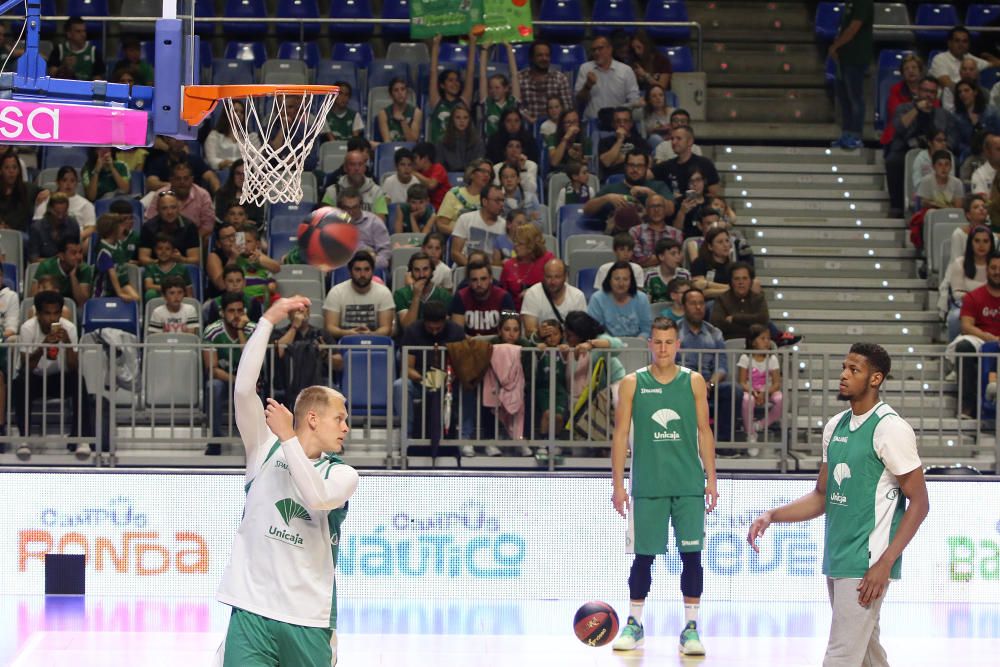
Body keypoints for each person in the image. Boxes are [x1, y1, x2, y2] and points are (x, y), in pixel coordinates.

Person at [747, 343, 928, 667]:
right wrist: (773, 515)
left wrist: (885, 563)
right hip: (838, 556)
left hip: (867, 561)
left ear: (876, 379)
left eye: (853, 370)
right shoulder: (836, 426)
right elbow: (822, 496)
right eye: (844, 367)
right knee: (867, 653)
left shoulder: (890, 427)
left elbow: (920, 503)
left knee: (841, 655)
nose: (843, 375)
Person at [213, 295, 358, 666]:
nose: (346, 427)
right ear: (312, 418)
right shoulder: (264, 448)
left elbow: (316, 497)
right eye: (339, 418)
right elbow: (244, 390)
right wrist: (268, 320)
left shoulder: (343, 474)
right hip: (252, 613)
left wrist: (289, 439)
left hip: (308, 620)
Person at [610, 317, 717, 656]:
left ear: (678, 344)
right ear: (649, 344)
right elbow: (619, 436)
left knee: (692, 557)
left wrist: (712, 478)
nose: (663, 348)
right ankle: (634, 623)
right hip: (648, 484)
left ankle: (690, 629)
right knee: (643, 559)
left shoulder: (694, 382)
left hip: (688, 484)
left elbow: (704, 431)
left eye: (669, 342)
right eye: (657, 342)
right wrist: (617, 484)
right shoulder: (631, 383)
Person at [12, 290, 82, 461]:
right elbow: (26, 366)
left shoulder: (69, 328)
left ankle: (80, 438)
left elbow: (73, 366)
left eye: (56, 313)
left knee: (79, 380)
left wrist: (67, 343)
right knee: (21, 381)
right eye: (47, 313)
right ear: (38, 313)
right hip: (35, 378)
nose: (52, 318)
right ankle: (24, 439)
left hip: (59, 378)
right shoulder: (28, 328)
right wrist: (43, 346)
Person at [677, 287, 744, 444]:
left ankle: (722, 443)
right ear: (684, 306)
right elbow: (668, 364)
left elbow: (721, 366)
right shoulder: (674, 331)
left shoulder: (714, 333)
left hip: (709, 384)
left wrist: (710, 383)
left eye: (701, 303)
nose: (698, 307)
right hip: (681, 383)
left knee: (734, 390)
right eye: (693, 303)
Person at [885, 77, 959, 215]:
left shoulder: (943, 114)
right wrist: (916, 110)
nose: (928, 95)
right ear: (918, 91)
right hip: (906, 149)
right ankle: (897, 206)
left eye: (932, 92)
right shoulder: (904, 108)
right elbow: (899, 128)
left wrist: (940, 144)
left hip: (934, 151)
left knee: (951, 160)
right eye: (925, 91)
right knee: (893, 161)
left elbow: (953, 140)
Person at [202, 291, 255, 454]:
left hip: (250, 382)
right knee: (214, 386)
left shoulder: (253, 329)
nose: (236, 315)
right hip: (226, 380)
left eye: (240, 311)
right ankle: (215, 439)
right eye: (231, 311)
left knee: (256, 388)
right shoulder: (212, 331)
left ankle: (253, 441)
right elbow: (212, 368)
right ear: (222, 313)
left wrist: (240, 330)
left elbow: (253, 363)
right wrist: (235, 379)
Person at [954, 251, 1000, 417]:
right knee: (964, 347)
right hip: (981, 339)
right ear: (987, 270)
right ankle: (968, 407)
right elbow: (966, 325)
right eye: (993, 268)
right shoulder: (974, 296)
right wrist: (988, 337)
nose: (997, 272)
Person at [270, 301, 339, 409]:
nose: (302, 310)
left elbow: (339, 364)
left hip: (319, 382)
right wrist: (294, 327)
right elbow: (279, 350)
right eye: (297, 307)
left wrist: (325, 354)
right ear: (288, 314)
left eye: (305, 307)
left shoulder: (321, 333)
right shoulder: (279, 333)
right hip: (287, 383)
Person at [583, 153, 673, 232]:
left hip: (649, 239)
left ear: (646, 168)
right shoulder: (612, 188)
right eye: (631, 165)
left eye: (640, 166)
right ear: (625, 167)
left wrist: (650, 193)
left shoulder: (658, 186)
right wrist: (606, 198)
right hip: (618, 241)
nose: (635, 169)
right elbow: (587, 210)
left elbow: (670, 211)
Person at [827, 0, 874, 150]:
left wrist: (835, 45)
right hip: (844, 57)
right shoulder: (850, 3)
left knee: (855, 97)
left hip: (856, 57)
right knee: (844, 97)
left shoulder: (863, 3)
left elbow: (853, 28)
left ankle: (856, 135)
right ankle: (846, 133)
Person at [323, 250, 394, 339]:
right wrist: (348, 333)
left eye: (366, 269)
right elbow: (330, 328)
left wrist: (370, 335)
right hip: (344, 345)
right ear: (350, 271)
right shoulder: (336, 292)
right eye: (357, 270)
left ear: (372, 271)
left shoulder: (384, 293)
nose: (362, 274)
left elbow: (386, 328)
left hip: (374, 344)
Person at [141, 161, 217, 238]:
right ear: (171, 180)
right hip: (163, 241)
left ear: (192, 179)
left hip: (193, 239)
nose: (182, 182)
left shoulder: (203, 195)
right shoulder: (160, 194)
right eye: (178, 179)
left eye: (186, 178)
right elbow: (150, 222)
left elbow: (208, 226)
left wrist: (192, 241)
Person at [736, 324, 782, 447]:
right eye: (763, 338)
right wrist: (753, 391)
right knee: (747, 399)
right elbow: (741, 382)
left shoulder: (772, 359)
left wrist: (765, 392)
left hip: (768, 391)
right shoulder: (745, 358)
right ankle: (750, 434)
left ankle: (759, 425)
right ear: (753, 342)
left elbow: (777, 383)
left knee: (780, 399)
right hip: (750, 391)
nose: (767, 342)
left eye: (768, 338)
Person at [945, 226, 994, 341]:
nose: (981, 245)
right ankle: (955, 355)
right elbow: (957, 293)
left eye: (985, 241)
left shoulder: (996, 264)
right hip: (964, 305)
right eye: (977, 241)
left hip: (994, 305)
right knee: (954, 317)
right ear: (970, 243)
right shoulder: (959, 263)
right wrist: (982, 296)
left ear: (991, 243)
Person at [575, 35, 640, 120]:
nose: (596, 52)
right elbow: (579, 100)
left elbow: (634, 100)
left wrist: (618, 109)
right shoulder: (585, 68)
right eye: (594, 50)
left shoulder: (626, 71)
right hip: (593, 122)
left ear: (610, 49)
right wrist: (588, 86)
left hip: (618, 122)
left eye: (600, 48)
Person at [520, 258, 588, 338]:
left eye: (557, 277)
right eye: (548, 277)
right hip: (540, 347)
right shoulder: (532, 294)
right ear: (543, 275)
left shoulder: (577, 296)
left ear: (565, 277)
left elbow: (581, 331)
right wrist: (539, 333)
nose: (552, 282)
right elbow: (529, 330)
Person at [930, 27, 1000, 104]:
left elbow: (995, 64)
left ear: (969, 44)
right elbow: (946, 84)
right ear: (949, 43)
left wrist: (989, 56)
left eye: (964, 41)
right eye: (957, 41)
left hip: (970, 100)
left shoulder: (970, 58)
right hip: (949, 100)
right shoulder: (940, 59)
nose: (961, 44)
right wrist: (966, 93)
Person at [428, 33, 477, 143]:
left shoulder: (464, 101)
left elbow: (470, 72)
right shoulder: (436, 101)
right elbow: (433, 72)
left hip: (461, 152)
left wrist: (473, 43)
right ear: (442, 85)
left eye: (457, 80)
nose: (455, 83)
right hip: (439, 152)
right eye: (450, 80)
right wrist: (436, 44)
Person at [652, 126, 721, 203]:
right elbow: (645, 174)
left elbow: (714, 194)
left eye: (678, 138)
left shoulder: (705, 164)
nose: (674, 142)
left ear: (690, 141)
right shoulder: (667, 165)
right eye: (672, 139)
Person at [588, 261, 653, 338]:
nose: (621, 284)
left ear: (631, 281)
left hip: (636, 345)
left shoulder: (642, 298)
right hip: (607, 345)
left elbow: (647, 329)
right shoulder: (597, 299)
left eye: (625, 279)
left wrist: (638, 342)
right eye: (617, 279)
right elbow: (595, 330)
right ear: (609, 280)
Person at [450, 260, 515, 337]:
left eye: (483, 279)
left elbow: (511, 330)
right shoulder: (460, 297)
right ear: (469, 281)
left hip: (497, 345)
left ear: (491, 279)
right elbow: (457, 332)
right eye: (474, 280)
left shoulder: (504, 297)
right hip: (469, 345)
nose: (479, 284)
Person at [322, 150, 389, 221]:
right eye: (352, 164)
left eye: (360, 164)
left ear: (365, 168)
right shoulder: (332, 191)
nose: (357, 168)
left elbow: (380, 223)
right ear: (345, 168)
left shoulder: (376, 192)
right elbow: (326, 221)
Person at [33, 166, 96, 242]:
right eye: (64, 180)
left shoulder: (86, 204)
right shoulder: (46, 200)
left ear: (76, 183)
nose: (68, 184)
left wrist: (79, 236)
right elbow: (38, 223)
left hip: (75, 241)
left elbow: (91, 227)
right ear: (57, 182)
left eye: (72, 181)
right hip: (49, 240)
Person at [518, 39, 573, 124]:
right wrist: (528, 118)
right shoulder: (520, 78)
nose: (544, 58)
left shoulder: (560, 78)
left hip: (555, 128)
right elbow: (516, 107)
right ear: (531, 58)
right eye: (540, 55)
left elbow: (567, 109)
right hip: (527, 127)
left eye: (547, 55)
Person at [138, 192, 201, 267]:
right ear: (157, 210)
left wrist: (182, 259)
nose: (169, 212)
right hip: (155, 270)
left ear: (179, 208)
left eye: (173, 207)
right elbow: (143, 258)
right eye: (164, 208)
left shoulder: (190, 227)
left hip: (181, 269)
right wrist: (162, 262)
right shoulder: (148, 227)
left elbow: (195, 259)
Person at [709, 261, 769, 340]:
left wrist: (735, 318)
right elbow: (717, 325)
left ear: (751, 281)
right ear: (731, 281)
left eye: (745, 278)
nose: (741, 282)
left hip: (754, 346)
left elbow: (763, 319)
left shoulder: (759, 298)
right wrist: (751, 327)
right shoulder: (721, 299)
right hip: (728, 344)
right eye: (736, 279)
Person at [450, 184, 506, 267]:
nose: (501, 204)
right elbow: (455, 253)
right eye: (497, 200)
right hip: (466, 268)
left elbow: (505, 258)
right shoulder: (465, 219)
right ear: (485, 201)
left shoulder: (504, 226)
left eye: (502, 200)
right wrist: (473, 269)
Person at [500, 224, 555, 309]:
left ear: (532, 245)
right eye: (515, 242)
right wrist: (511, 319)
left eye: (520, 243)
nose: (515, 246)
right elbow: (503, 300)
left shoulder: (548, 260)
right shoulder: (509, 266)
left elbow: (556, 288)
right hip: (515, 315)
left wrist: (532, 293)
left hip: (544, 311)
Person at [433, 158, 492, 236]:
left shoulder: (490, 198)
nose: (487, 175)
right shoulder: (454, 194)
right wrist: (463, 234)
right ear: (471, 174)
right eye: (483, 171)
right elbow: (441, 225)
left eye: (489, 173)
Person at [394, 251, 453, 330]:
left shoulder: (444, 295)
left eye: (425, 269)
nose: (421, 275)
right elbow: (408, 328)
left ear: (432, 270)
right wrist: (416, 296)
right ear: (411, 272)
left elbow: (444, 329)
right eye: (417, 270)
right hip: (409, 341)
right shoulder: (400, 294)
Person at [337, 187, 391, 271]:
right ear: (340, 208)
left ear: (361, 206)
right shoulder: (333, 224)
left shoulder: (375, 222)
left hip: (371, 269)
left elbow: (385, 254)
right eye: (347, 208)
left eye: (354, 207)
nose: (351, 212)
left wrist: (370, 262)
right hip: (342, 268)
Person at [30, 237, 92, 308]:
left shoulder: (84, 269)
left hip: (74, 309)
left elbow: (83, 303)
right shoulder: (46, 267)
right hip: (48, 306)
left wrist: (73, 276)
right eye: (73, 253)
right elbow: (33, 297)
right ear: (61, 256)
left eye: (80, 252)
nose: (78, 257)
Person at [93, 213, 141, 302]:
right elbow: (112, 273)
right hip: (105, 291)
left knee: (136, 299)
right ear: (112, 230)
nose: (124, 229)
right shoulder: (104, 250)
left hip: (122, 284)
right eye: (121, 226)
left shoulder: (118, 244)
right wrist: (119, 293)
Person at [880, 54, 925, 147]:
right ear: (902, 73)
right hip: (899, 134)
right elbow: (896, 114)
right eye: (906, 69)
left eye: (914, 67)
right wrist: (917, 108)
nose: (910, 71)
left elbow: (934, 110)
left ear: (920, 71)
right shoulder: (895, 90)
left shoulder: (928, 89)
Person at [479, 42, 522, 138]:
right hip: (490, 147)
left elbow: (514, 75)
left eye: (497, 88)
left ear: (506, 88)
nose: (493, 91)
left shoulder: (513, 102)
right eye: (491, 88)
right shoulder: (487, 103)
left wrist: (508, 48)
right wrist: (485, 50)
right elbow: (482, 75)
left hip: (510, 145)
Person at [205, 100, 260, 170]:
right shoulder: (214, 136)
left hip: (246, 172)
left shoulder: (252, 137)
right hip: (223, 172)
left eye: (242, 112)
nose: (239, 114)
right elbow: (211, 159)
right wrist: (223, 163)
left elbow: (257, 160)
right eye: (235, 111)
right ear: (226, 114)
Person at [598, 107, 651, 180]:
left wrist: (617, 159)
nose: (622, 124)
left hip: (636, 178)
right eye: (618, 121)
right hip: (613, 180)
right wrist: (620, 140)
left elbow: (649, 162)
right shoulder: (605, 141)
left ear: (631, 123)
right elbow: (606, 162)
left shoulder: (640, 141)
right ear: (613, 124)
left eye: (625, 121)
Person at [27, 192, 81, 263]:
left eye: (64, 213)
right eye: (57, 212)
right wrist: (56, 261)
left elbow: (77, 253)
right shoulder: (37, 228)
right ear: (49, 209)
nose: (60, 217)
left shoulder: (73, 224)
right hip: (43, 268)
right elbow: (33, 259)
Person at [0, 150, 44, 232]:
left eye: (14, 167)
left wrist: (47, 192)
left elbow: (48, 191)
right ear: (1, 171)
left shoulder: (28, 188)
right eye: (7, 168)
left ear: (19, 170)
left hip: (20, 235)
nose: (11, 171)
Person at [47, 16, 103, 80]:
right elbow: (51, 75)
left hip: (86, 89)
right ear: (69, 34)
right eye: (78, 31)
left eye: (84, 31)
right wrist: (64, 67)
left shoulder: (94, 52)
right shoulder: (59, 50)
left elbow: (98, 80)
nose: (83, 34)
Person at [439, 103, 485, 173]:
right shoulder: (442, 142)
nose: (462, 121)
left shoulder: (477, 142)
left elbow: (479, 165)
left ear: (470, 120)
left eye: (465, 118)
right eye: (458, 117)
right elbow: (440, 166)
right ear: (452, 120)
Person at [214, 160, 263, 224]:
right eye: (238, 174)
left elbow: (260, 222)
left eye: (245, 174)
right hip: (227, 231)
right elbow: (219, 219)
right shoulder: (221, 194)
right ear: (232, 176)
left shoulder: (258, 197)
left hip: (251, 231)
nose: (242, 177)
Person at [645, 237, 691, 304]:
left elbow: (688, 299)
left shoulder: (684, 274)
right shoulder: (650, 275)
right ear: (661, 256)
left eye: (679, 253)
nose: (678, 257)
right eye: (673, 254)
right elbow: (646, 302)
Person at [377, 76, 422, 143]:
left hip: (410, 151)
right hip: (391, 150)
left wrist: (403, 121)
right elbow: (387, 142)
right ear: (391, 95)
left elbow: (412, 141)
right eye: (396, 90)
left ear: (407, 93)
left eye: (403, 89)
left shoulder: (416, 112)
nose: (400, 93)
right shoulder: (383, 114)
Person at [547, 108, 592, 174]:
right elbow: (554, 162)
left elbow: (588, 165)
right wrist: (565, 139)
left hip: (579, 173)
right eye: (568, 122)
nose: (572, 126)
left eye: (575, 122)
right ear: (562, 125)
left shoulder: (586, 140)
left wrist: (579, 158)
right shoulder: (552, 138)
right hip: (559, 173)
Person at [411, 142, 451, 212]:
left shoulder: (438, 168)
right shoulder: (418, 172)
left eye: (415, 158)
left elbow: (431, 185)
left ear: (425, 158)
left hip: (443, 210)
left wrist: (414, 173)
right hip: (425, 210)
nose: (413, 161)